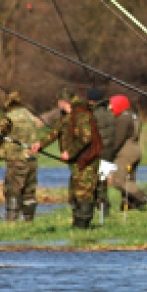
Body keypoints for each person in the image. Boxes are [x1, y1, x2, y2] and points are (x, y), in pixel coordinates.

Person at [33, 88, 103, 229]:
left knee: (84, 194)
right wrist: (39, 144)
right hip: (76, 162)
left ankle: (83, 226)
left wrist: (69, 152)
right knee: (74, 194)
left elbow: (86, 138)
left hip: (87, 160)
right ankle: (77, 226)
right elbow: (54, 132)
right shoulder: (66, 117)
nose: (57, 105)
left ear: (64, 102)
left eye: (58, 102)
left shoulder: (82, 114)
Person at [0, 91, 41, 222]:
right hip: (32, 159)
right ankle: (29, 221)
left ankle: (11, 221)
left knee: (13, 190)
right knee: (29, 192)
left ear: (9, 103)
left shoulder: (9, 118)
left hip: (17, 160)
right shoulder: (30, 116)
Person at [108, 94, 147, 210]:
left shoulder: (122, 118)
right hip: (136, 150)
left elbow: (118, 139)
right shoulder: (134, 116)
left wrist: (109, 153)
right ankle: (128, 205)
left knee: (118, 180)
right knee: (129, 179)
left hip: (125, 153)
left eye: (112, 105)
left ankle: (141, 197)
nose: (110, 108)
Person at [88, 87, 117, 216]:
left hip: (97, 153)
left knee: (95, 184)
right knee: (103, 183)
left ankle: (96, 211)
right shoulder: (110, 114)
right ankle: (105, 212)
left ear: (91, 101)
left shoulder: (93, 115)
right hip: (109, 153)